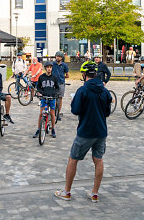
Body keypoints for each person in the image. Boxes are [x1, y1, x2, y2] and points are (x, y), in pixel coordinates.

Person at [54, 61, 111, 203]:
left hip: (85, 131)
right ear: (96, 74)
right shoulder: (105, 91)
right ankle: (95, 193)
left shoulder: (82, 90)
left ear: (84, 74)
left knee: (73, 159)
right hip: (101, 131)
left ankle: (67, 192)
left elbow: (75, 110)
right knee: (98, 160)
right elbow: (107, 112)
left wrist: (75, 101)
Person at [33, 61, 59, 139]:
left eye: (50, 67)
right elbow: (39, 87)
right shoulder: (41, 77)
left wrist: (55, 93)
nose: (49, 69)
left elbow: (57, 87)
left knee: (52, 113)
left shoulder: (54, 77)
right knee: (41, 114)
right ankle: (38, 129)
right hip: (44, 97)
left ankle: (53, 129)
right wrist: (40, 93)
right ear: (45, 68)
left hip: (52, 97)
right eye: (47, 67)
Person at [52, 51, 69, 121]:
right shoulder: (53, 64)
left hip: (61, 83)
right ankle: (53, 112)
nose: (57, 57)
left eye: (59, 56)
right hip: (53, 83)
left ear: (61, 58)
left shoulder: (64, 65)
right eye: (56, 56)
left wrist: (62, 77)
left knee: (60, 99)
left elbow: (67, 75)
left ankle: (58, 113)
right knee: (53, 98)